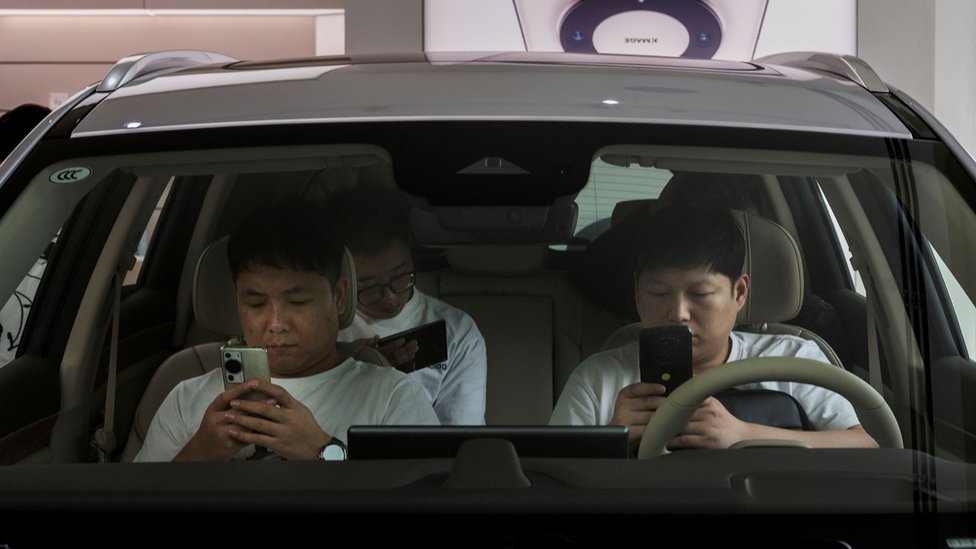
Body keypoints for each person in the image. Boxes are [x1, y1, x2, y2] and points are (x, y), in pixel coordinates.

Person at [550, 203, 877, 451]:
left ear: (739, 293)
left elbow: (867, 444)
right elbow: (552, 478)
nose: (677, 313)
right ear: (636, 292)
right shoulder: (599, 377)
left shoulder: (795, 361)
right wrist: (611, 439)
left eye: (700, 294)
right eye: (658, 293)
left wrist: (745, 434)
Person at [134, 198, 439, 462]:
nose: (276, 324)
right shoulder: (187, 396)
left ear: (338, 296)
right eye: (255, 304)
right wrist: (201, 451)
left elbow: (422, 511)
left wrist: (322, 451)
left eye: (298, 301)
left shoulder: (393, 397)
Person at [326, 187, 488, 425]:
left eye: (400, 277)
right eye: (369, 287)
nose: (389, 297)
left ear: (410, 250)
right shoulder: (322, 328)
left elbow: (459, 437)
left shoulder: (456, 331)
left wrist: (393, 385)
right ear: (342, 276)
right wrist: (351, 369)